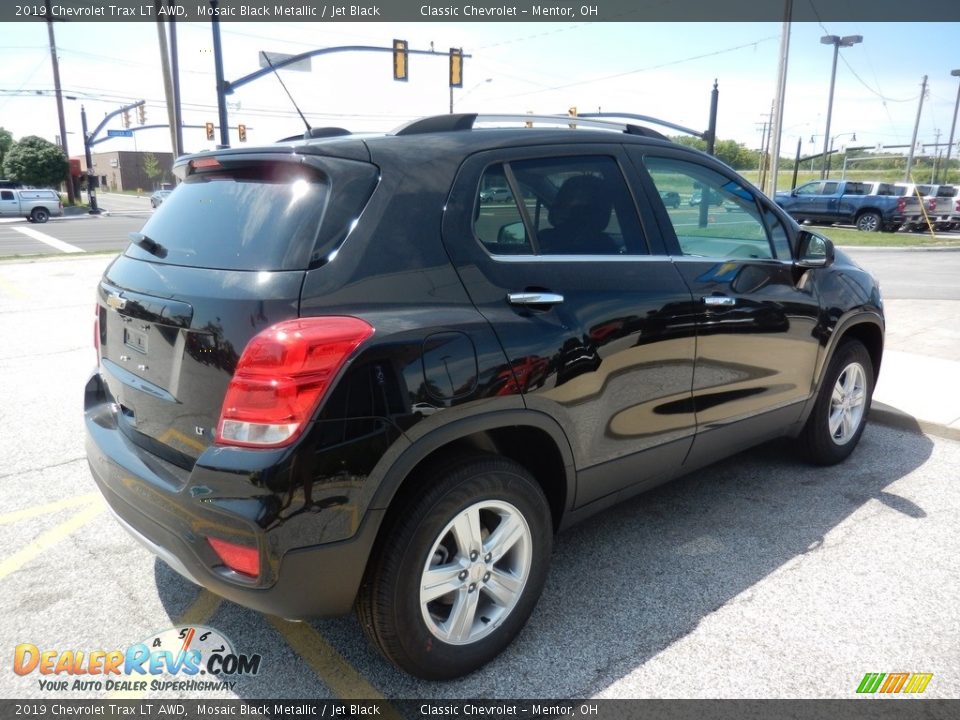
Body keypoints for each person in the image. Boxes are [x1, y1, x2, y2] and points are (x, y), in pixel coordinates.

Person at [537, 174, 618, 254]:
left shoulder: (603, 247)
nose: (560, 206)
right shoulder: (544, 239)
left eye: (578, 207)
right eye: (563, 199)